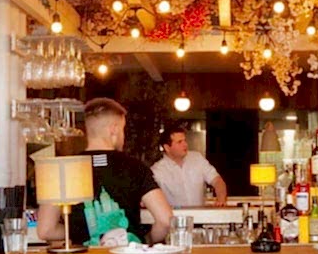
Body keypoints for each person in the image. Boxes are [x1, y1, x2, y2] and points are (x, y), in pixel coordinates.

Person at [36, 98, 173, 245]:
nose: (123, 136)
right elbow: (165, 220)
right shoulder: (135, 167)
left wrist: (78, 233)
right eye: (123, 129)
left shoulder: (64, 168)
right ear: (113, 129)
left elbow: (46, 230)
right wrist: (146, 240)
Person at [151, 123, 228, 208]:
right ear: (167, 148)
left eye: (185, 140)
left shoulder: (197, 158)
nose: (185, 144)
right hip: (173, 216)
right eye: (179, 142)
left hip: (201, 215)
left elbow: (217, 181)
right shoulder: (157, 171)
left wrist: (221, 199)